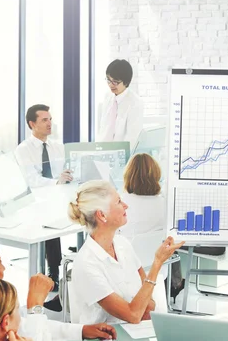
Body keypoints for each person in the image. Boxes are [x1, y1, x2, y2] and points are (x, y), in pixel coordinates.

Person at [68, 180, 184, 324]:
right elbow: (133, 315)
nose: (125, 206)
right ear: (102, 215)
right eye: (119, 202)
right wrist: (158, 262)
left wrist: (144, 305)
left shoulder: (123, 244)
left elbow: (149, 305)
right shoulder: (87, 264)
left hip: (135, 334)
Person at [15, 104, 74, 290]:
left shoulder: (58, 147)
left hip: (59, 196)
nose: (50, 123)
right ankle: (54, 272)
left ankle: (75, 268)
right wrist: (56, 182)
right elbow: (31, 180)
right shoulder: (23, 149)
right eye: (44, 120)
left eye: (50, 119)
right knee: (49, 217)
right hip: (36, 200)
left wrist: (67, 177)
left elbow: (64, 172)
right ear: (32, 124)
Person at [118, 153, 184, 301]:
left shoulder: (121, 203)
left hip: (127, 272)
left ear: (128, 175)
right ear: (156, 175)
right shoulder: (166, 204)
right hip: (160, 271)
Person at [97, 59, 144, 148]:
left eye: (115, 82)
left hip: (122, 155)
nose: (110, 85)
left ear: (126, 82)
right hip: (102, 152)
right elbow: (103, 129)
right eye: (108, 80)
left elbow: (132, 139)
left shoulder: (135, 103)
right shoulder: (108, 97)